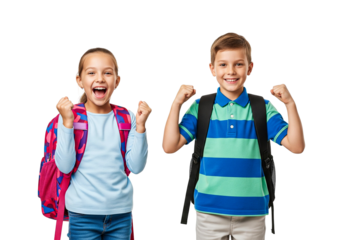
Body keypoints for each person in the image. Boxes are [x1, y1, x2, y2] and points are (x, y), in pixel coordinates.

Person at [161, 31, 305, 240]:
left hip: (253, 214)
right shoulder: (200, 107)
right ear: (211, 69)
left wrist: (290, 104)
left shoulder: (262, 108)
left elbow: (297, 147)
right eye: (223, 65)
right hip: (208, 213)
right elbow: (169, 147)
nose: (231, 71)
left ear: (250, 68)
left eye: (238, 64)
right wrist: (176, 104)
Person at [54, 45, 152, 240]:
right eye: (91, 72)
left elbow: (137, 168)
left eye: (107, 73)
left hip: (121, 214)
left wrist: (141, 126)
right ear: (79, 80)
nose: (99, 78)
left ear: (117, 81)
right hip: (82, 214)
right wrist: (66, 122)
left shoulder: (128, 116)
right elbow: (65, 167)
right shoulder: (69, 116)